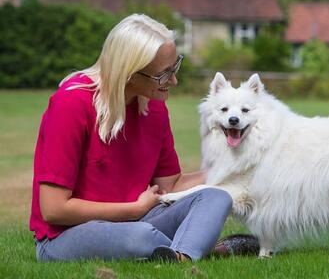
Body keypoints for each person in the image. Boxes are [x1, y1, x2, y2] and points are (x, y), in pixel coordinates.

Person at [29, 14, 234, 262]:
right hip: (65, 235)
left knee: (216, 196)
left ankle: (181, 255)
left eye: (174, 67)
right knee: (140, 237)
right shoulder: (70, 104)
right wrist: (134, 209)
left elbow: (170, 186)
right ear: (129, 74)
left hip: (139, 220)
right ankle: (203, 248)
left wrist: (234, 169)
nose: (174, 80)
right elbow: (53, 209)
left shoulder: (155, 107)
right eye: (163, 74)